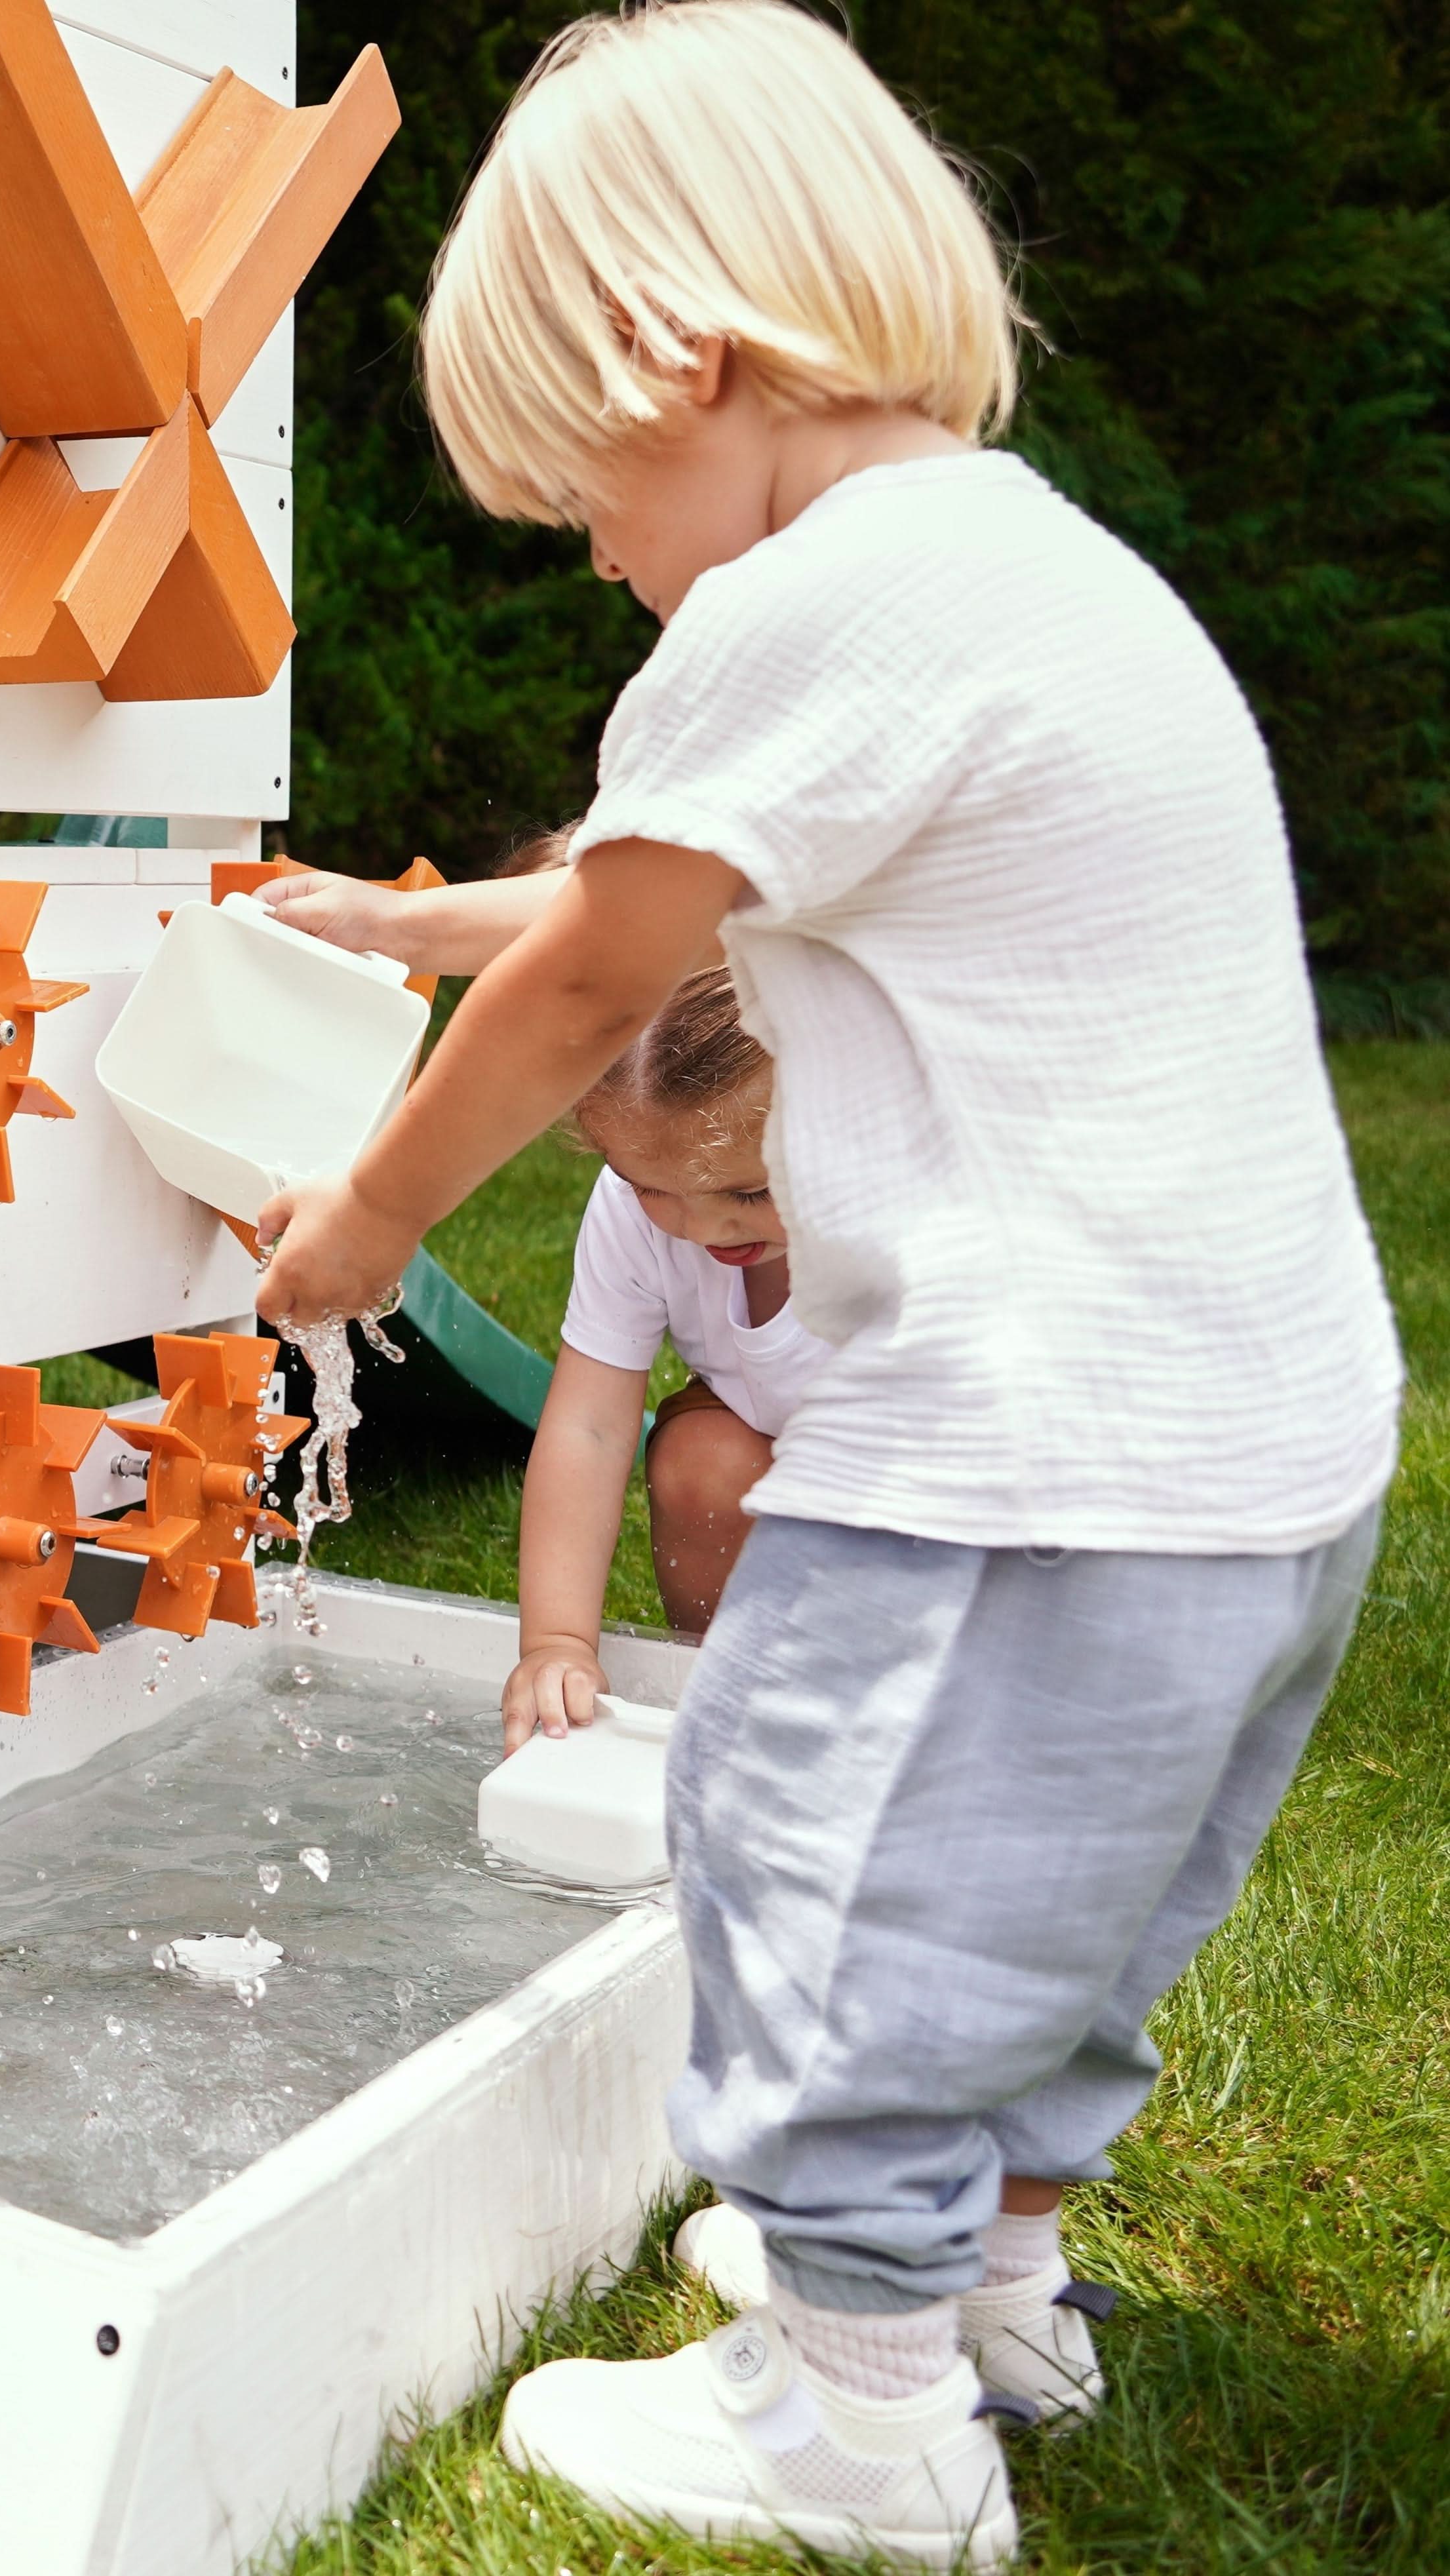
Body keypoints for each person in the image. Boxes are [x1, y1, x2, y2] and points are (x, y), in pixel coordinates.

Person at [250, 4, 1401, 2566]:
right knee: (1051, 1911)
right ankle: (986, 2290)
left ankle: (853, 2421)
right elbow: (644, 897)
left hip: (1028, 1457)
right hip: (1253, 1463)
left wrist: (369, 1218)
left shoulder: (802, 601)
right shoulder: (1017, 570)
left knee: (801, 1838)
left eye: (580, 495)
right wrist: (392, 920)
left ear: (676, 354)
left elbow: (588, 976)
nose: (594, 558)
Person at [264, 842, 825, 1663]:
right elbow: (589, 1430)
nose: (703, 1230)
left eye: (749, 1194)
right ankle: (715, 1676)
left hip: (951, 1464)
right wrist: (557, 1642)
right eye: (648, 1186)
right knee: (699, 1461)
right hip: (786, 1444)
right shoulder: (637, 1215)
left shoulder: (906, 1213)